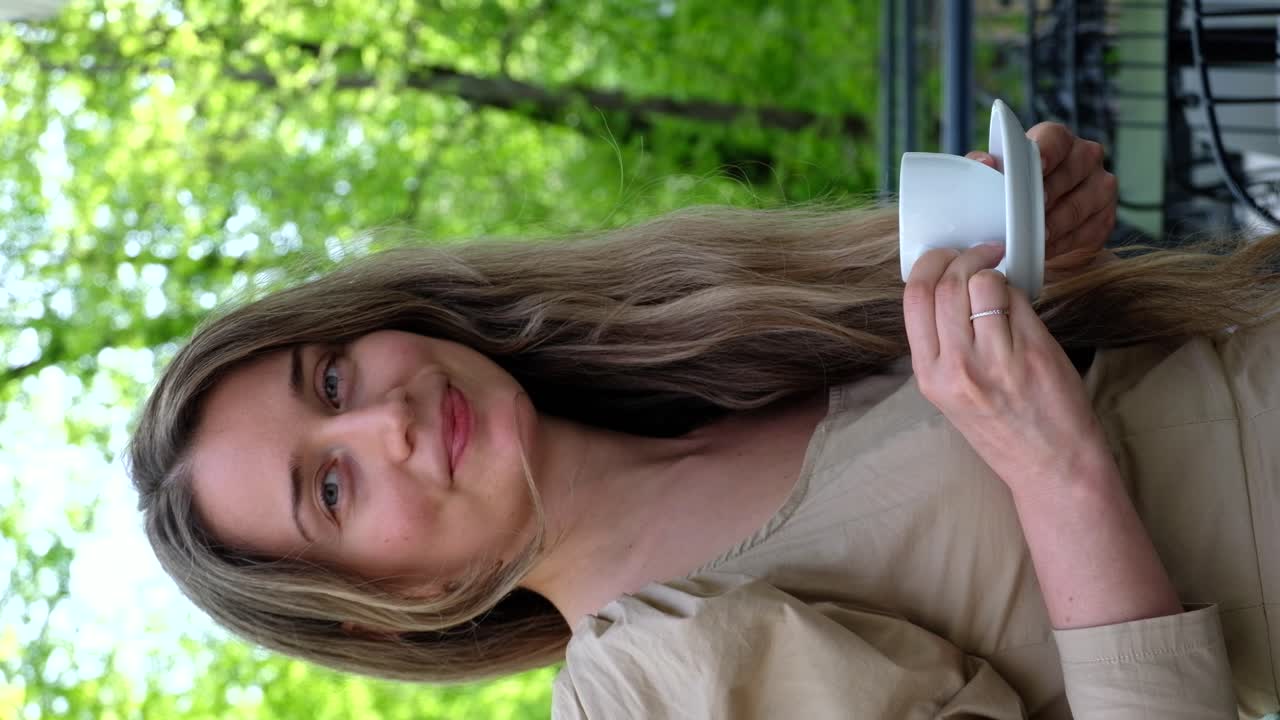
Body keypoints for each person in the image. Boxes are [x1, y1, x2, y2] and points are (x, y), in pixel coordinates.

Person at [128, 123, 1280, 719]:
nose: (384, 424)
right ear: (389, 608)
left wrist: (1038, 241)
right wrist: (1054, 472)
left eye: (329, 379)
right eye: (331, 490)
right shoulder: (647, 694)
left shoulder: (703, 339)